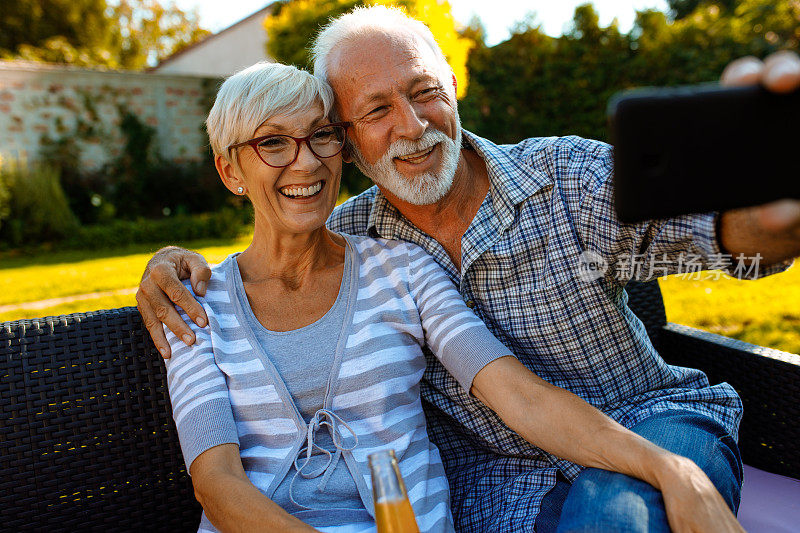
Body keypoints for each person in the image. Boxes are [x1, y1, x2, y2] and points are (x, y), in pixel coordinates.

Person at [138, 6, 800, 532]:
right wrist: (167, 265)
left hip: (643, 420)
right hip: (499, 480)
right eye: (375, 110)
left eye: (424, 93)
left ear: (453, 87)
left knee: (612, 514)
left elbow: (719, 237)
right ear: (348, 137)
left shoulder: (563, 177)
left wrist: (773, 219)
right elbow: (268, 257)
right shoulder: (353, 242)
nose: (411, 125)